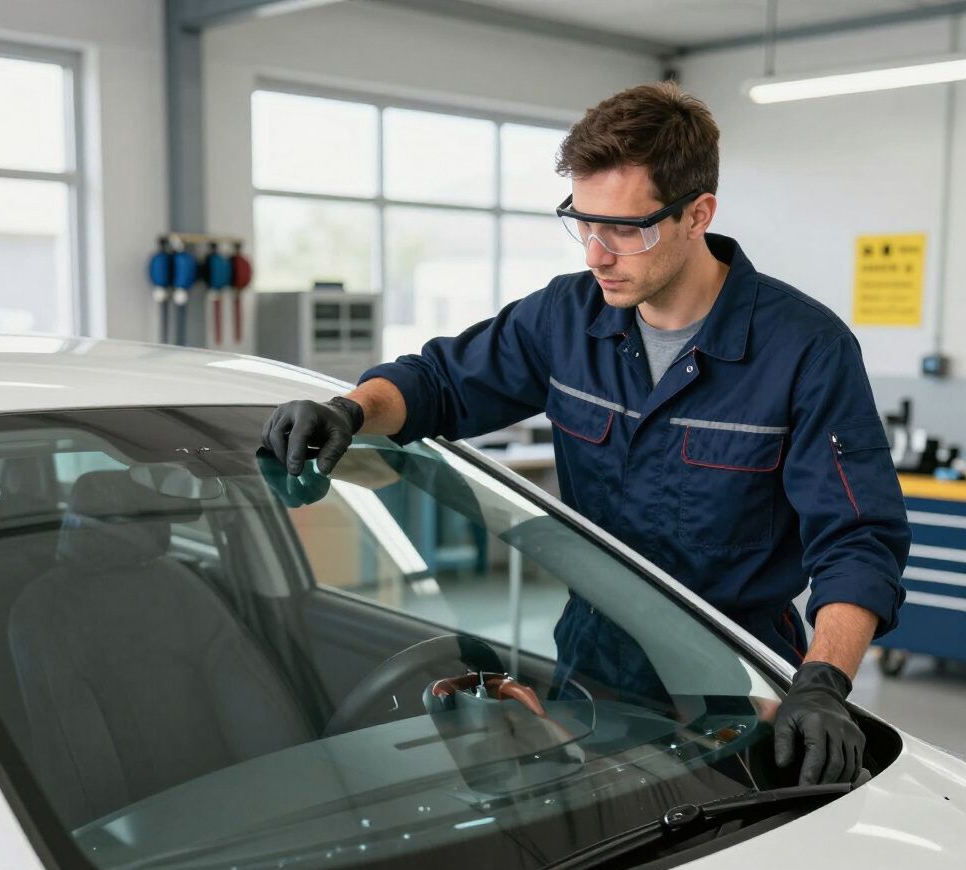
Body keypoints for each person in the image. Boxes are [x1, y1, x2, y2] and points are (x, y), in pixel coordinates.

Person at [262, 81, 911, 787]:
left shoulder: (804, 350)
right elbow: (439, 384)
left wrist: (822, 682)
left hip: (742, 688)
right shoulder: (564, 318)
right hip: (593, 673)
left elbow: (858, 539)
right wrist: (351, 410)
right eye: (583, 222)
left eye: (625, 230)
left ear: (698, 214)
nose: (597, 255)